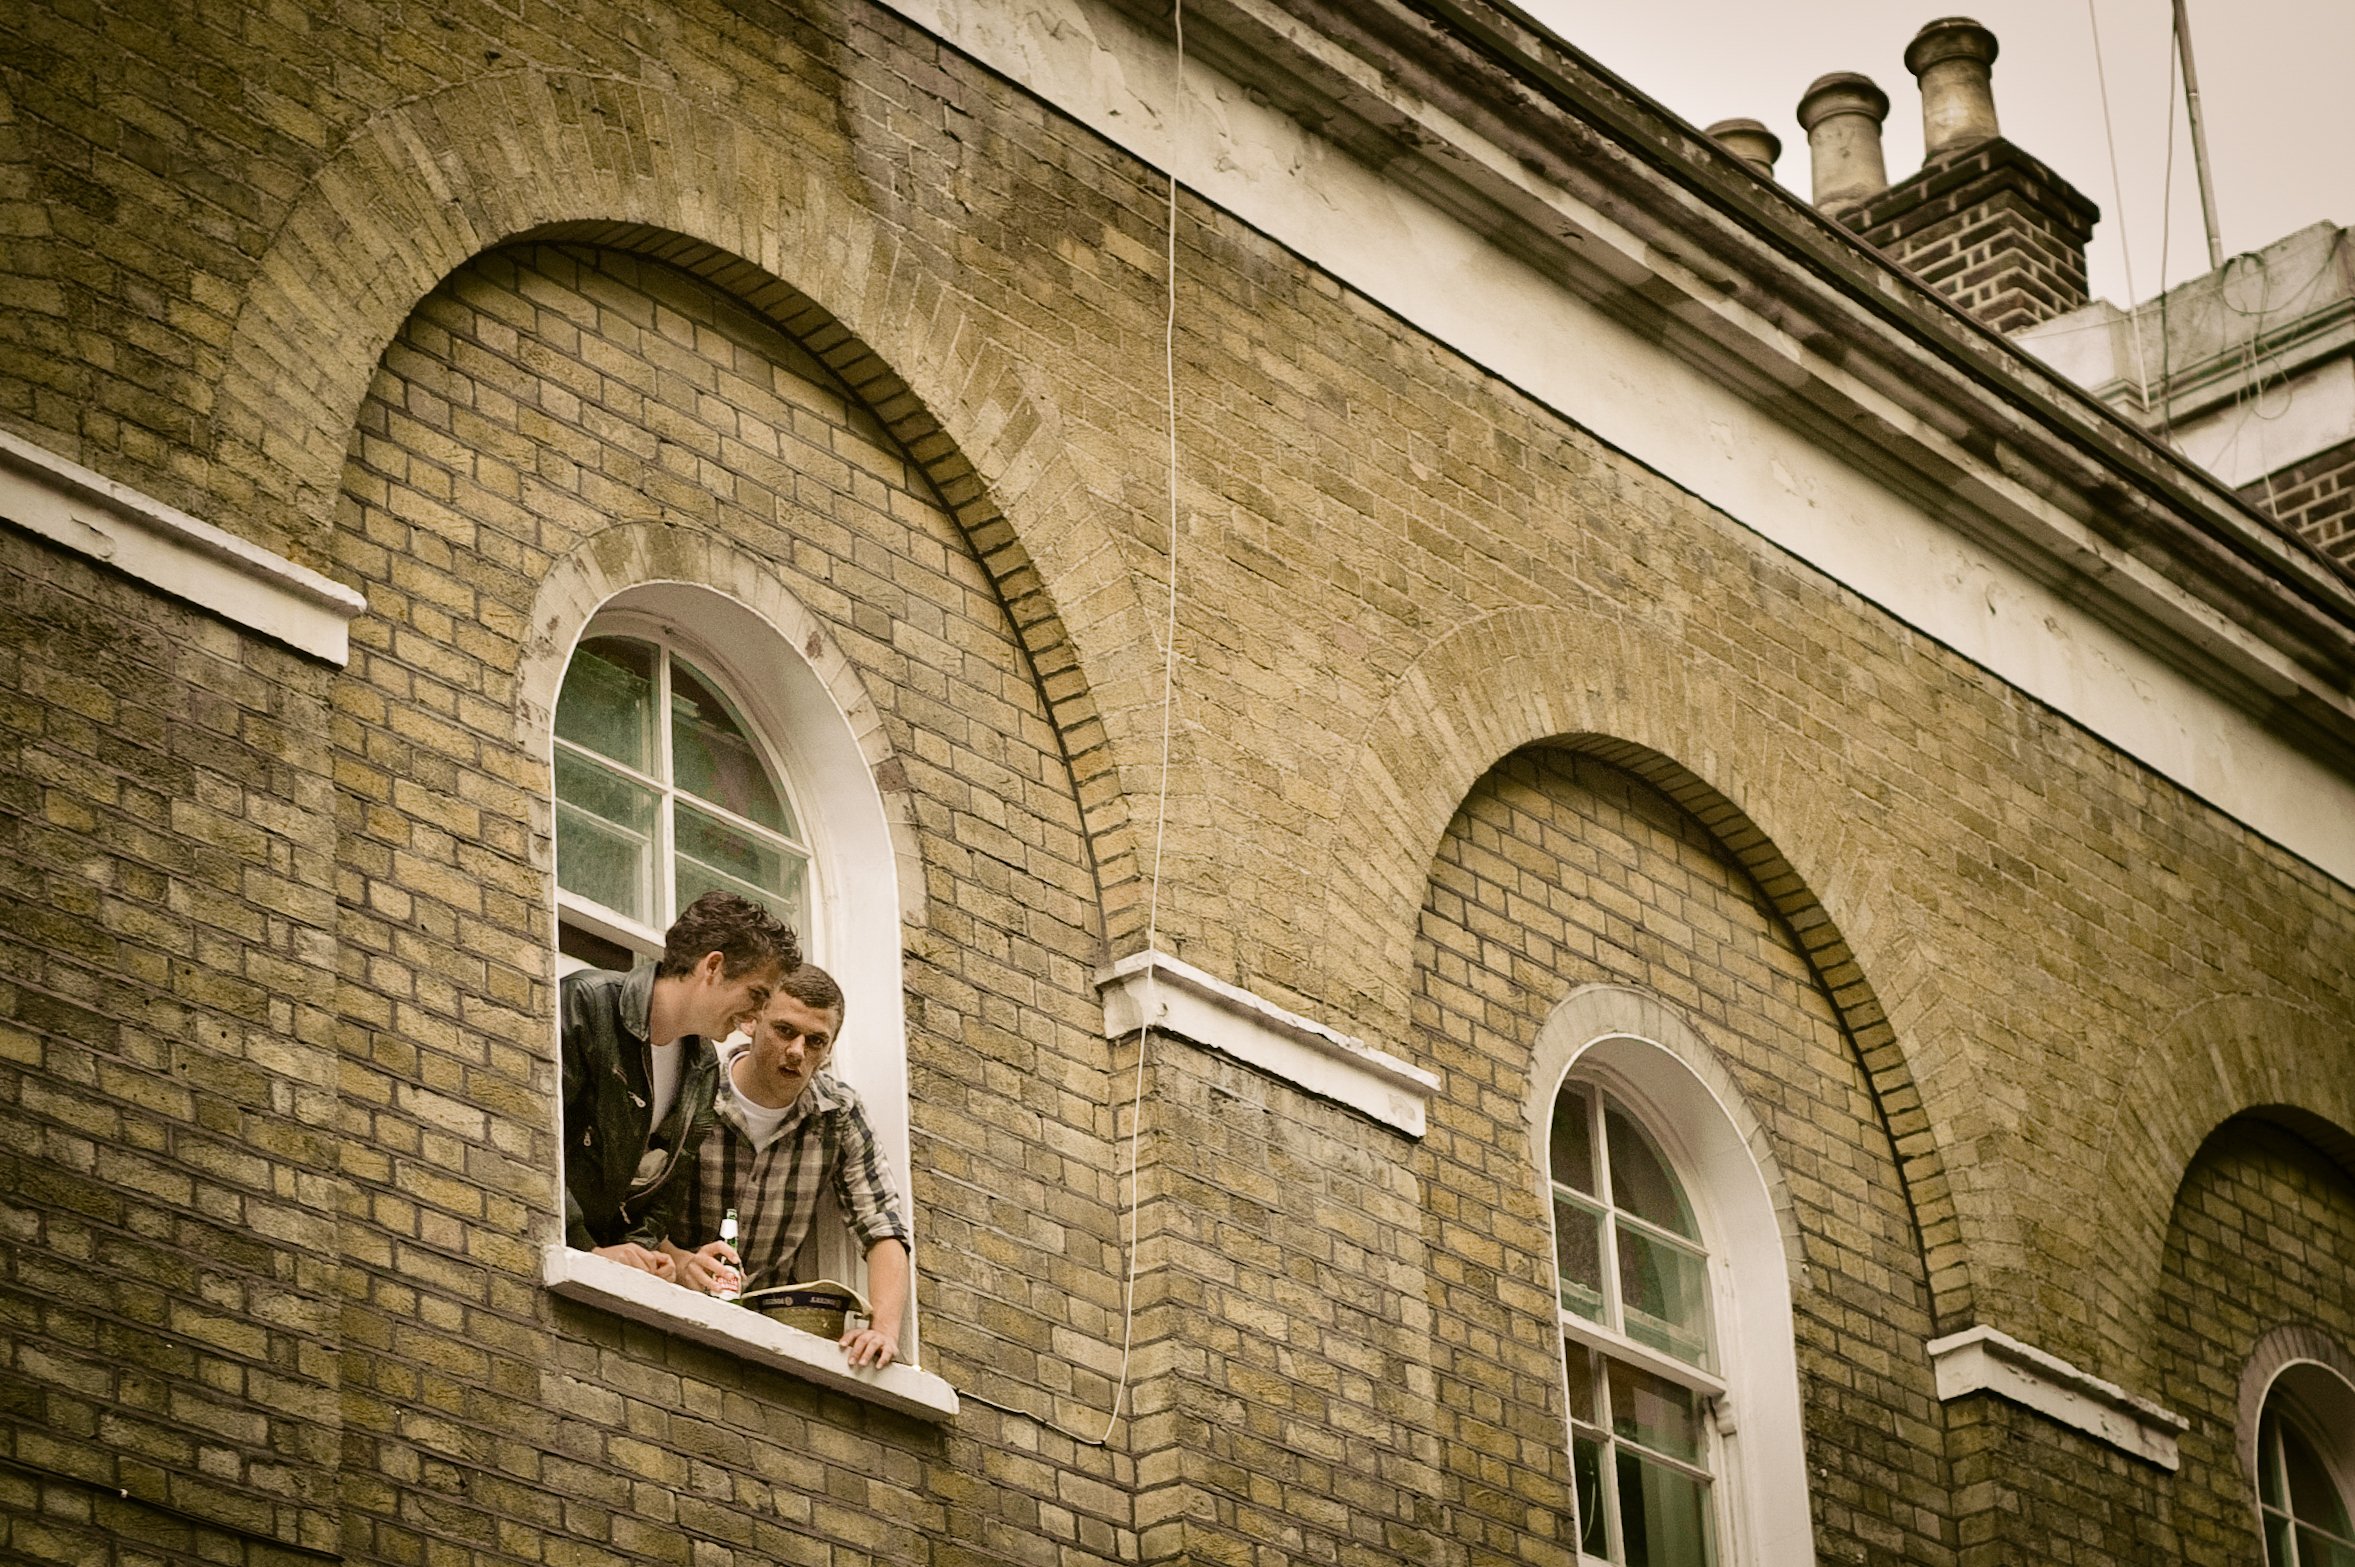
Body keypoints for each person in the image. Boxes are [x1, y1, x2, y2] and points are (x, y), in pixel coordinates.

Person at [666, 964, 913, 1369]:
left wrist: (883, 1330)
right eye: (785, 1030)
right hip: (665, 1302)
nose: (798, 1051)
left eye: (815, 1041)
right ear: (751, 1021)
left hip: (766, 1337)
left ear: (829, 1050)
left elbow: (882, 1226)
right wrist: (679, 1261)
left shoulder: (839, 1114)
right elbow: (631, 1193)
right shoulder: (695, 1085)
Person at [560, 890, 798, 1279]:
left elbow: (659, 1200)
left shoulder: (702, 1067)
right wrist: (589, 1250)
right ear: (714, 966)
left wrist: (648, 1255)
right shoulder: (586, 1003)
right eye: (757, 994)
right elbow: (536, 1147)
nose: (757, 1015)